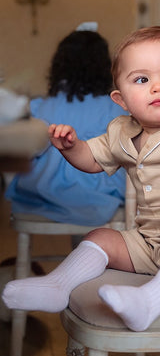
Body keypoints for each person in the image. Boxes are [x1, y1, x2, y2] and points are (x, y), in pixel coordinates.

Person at [2, 26, 160, 332]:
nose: (158, 87)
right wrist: (72, 147)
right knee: (100, 237)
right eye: (141, 79)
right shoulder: (121, 131)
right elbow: (92, 160)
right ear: (120, 99)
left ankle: (150, 301)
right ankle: (57, 285)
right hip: (149, 242)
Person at [5, 29, 127, 226]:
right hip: (97, 192)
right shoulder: (115, 107)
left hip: (44, 191)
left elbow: (27, 150)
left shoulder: (39, 106)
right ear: (104, 67)